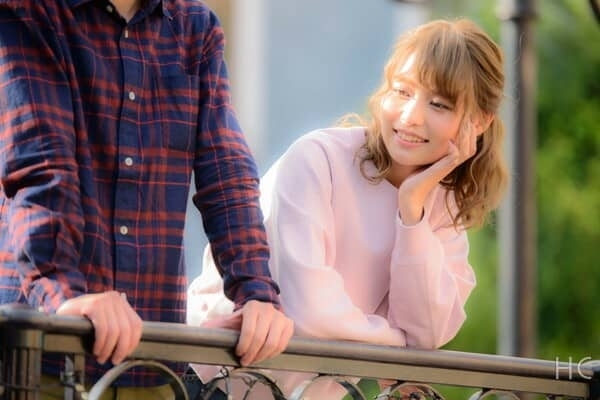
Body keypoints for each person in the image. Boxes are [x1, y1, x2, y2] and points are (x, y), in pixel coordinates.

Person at [188, 17, 508, 399]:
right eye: (402, 91)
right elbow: (311, 314)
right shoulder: (317, 160)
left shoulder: (439, 209)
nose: (411, 117)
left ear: (479, 122)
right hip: (210, 382)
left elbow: (428, 334)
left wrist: (411, 212)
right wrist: (399, 348)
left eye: (438, 104)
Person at [0, 0, 293, 399]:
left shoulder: (195, 27)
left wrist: (256, 292)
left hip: (151, 363)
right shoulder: (30, 11)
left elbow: (225, 171)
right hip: (43, 351)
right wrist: (67, 294)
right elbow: (40, 164)